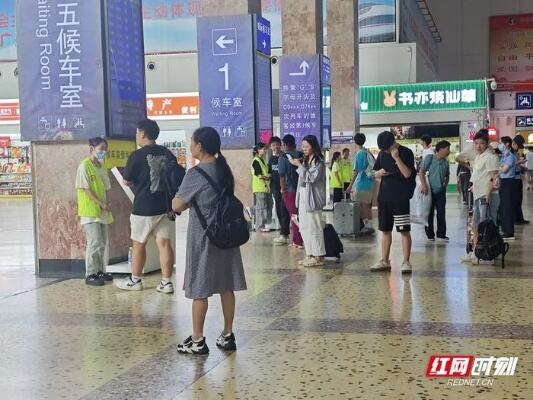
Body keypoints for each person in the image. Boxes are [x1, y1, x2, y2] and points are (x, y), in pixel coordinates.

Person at [172, 127, 247, 355]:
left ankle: (197, 341)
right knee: (226, 286)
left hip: (204, 239)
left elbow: (177, 205)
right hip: (227, 236)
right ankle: (227, 335)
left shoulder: (195, 174)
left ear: (200, 146)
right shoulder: (224, 170)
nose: (191, 146)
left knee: (200, 289)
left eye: (192, 142)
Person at [116, 119, 176, 292]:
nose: (136, 136)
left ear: (142, 134)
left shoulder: (137, 155)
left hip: (143, 207)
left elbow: (127, 179)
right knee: (164, 244)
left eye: (137, 133)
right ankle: (166, 282)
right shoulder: (167, 153)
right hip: (165, 205)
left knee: (138, 244)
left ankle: (135, 280)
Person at [370, 131, 416, 274]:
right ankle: (384, 260)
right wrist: (378, 174)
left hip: (400, 197)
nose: (384, 151)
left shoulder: (406, 152)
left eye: (386, 148)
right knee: (385, 230)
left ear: (393, 143)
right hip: (384, 197)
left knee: (404, 230)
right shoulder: (382, 154)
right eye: (382, 149)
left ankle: (406, 261)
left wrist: (396, 158)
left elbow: (407, 174)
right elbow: (374, 173)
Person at [75, 137, 114, 286]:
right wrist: (101, 204)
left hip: (102, 209)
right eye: (101, 149)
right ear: (91, 149)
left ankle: (99, 271)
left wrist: (106, 203)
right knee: (94, 241)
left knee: (102, 242)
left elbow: (105, 187)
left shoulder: (102, 166)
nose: (103, 152)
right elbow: (86, 189)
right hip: (90, 211)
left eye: (105, 149)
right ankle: (90, 273)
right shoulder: (84, 166)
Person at [462, 129, 500, 264]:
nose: (478, 146)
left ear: (487, 144)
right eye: (476, 143)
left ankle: (489, 253)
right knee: (477, 223)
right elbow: (479, 176)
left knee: (488, 224)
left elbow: (493, 177)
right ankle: (477, 251)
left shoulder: (490, 157)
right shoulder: (479, 157)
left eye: (482, 143)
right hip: (479, 194)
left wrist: (488, 194)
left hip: (487, 195)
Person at [289, 135, 327, 267]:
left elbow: (310, 178)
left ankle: (318, 256)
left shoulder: (318, 162)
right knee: (304, 227)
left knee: (314, 227)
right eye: (303, 146)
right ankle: (310, 254)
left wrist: (298, 165)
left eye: (306, 146)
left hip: (313, 198)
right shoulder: (305, 160)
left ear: (313, 146)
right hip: (304, 196)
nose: (303, 149)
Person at [419, 140, 451, 242]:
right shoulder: (430, 158)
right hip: (429, 191)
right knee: (429, 212)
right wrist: (424, 185)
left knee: (441, 213)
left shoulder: (446, 162)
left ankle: (441, 234)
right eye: (447, 149)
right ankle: (430, 235)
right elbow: (421, 172)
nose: (449, 151)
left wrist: (444, 186)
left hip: (440, 191)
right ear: (440, 149)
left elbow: (447, 176)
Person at [278, 135, 304, 249]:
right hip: (303, 189)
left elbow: (282, 177)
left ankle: (297, 241)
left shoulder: (283, 158)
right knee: (301, 215)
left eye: (282, 144)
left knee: (293, 216)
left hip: (290, 191)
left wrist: (283, 191)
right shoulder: (301, 155)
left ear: (285, 144)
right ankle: (303, 238)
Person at [346, 133, 375, 233]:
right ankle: (367, 226)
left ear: (355, 141)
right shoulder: (366, 152)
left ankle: (367, 226)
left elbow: (356, 171)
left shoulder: (359, 154)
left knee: (363, 206)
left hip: (361, 183)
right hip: (369, 183)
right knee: (366, 205)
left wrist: (350, 186)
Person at [268, 137, 291, 245]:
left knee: (284, 209)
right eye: (273, 145)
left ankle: (284, 233)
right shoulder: (271, 159)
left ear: (280, 145)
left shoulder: (285, 157)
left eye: (277, 144)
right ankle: (283, 232)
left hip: (284, 188)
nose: (275, 147)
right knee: (278, 209)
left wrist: (284, 188)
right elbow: (270, 173)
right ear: (270, 147)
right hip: (275, 188)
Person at [498, 136, 517, 240]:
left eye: (501, 143)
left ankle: (509, 232)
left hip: (509, 182)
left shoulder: (510, 156)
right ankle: (505, 230)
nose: (499, 145)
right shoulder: (503, 156)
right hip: (503, 182)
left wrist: (498, 166)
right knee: (503, 207)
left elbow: (504, 169)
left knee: (508, 207)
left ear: (507, 144)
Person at [251, 143, 273, 232]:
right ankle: (260, 226)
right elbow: (260, 176)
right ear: (258, 150)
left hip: (265, 187)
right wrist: (266, 181)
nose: (265, 151)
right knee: (262, 207)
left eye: (265, 149)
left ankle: (263, 224)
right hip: (260, 187)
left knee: (267, 206)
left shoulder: (262, 160)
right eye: (263, 149)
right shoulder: (256, 161)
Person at [512, 136, 529, 225]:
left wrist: (522, 167)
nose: (519, 148)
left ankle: (519, 218)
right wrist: (519, 163)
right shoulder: (510, 154)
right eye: (518, 146)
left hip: (518, 179)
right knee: (515, 200)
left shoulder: (515, 153)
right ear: (513, 143)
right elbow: (509, 165)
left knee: (519, 200)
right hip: (513, 180)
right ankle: (516, 219)